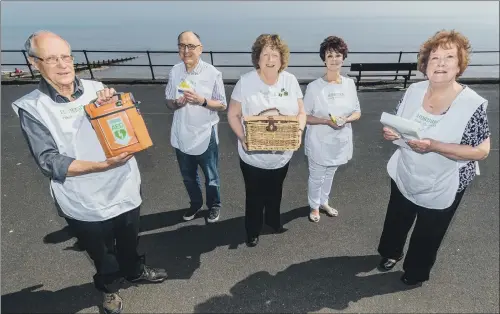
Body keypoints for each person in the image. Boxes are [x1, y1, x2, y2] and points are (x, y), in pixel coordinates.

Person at [12, 31, 167, 314]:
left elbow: (125, 125)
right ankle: (109, 290)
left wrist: (119, 104)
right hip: (84, 200)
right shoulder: (33, 107)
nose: (63, 65)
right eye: (52, 58)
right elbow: (49, 161)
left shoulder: (98, 88)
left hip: (123, 186)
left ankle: (134, 270)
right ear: (35, 63)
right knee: (102, 253)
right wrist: (101, 166)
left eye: (66, 56)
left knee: (130, 240)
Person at [376, 30, 491, 286]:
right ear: (425, 64)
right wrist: (391, 132)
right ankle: (390, 252)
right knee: (397, 216)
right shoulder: (414, 90)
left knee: (429, 230)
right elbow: (399, 120)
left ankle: (416, 271)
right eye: (434, 57)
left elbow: (481, 151)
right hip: (407, 169)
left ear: (460, 64)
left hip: (445, 180)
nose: (440, 63)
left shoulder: (471, 104)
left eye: (449, 57)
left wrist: (435, 146)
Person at [227, 34, 307, 247]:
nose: (270, 59)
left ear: (282, 59)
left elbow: (301, 112)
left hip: (281, 156)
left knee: (275, 191)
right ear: (257, 58)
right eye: (265, 54)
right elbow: (233, 114)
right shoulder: (246, 82)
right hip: (253, 157)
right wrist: (243, 137)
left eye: (275, 54)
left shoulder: (290, 80)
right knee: (254, 196)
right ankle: (252, 230)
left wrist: (298, 130)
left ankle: (273, 221)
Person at [165, 31, 227, 223]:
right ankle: (196, 203)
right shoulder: (175, 71)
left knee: (211, 177)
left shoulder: (212, 73)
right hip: (181, 133)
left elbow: (223, 104)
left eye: (191, 46)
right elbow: (168, 101)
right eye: (182, 46)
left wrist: (202, 101)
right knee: (188, 177)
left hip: (204, 135)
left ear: (200, 49)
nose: (186, 50)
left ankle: (214, 205)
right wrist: (177, 103)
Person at [303, 36, 361, 222]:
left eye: (337, 55)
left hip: (340, 141)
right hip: (319, 141)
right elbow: (304, 116)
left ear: (343, 57)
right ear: (324, 59)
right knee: (317, 176)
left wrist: (346, 119)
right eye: (330, 55)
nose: (334, 59)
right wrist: (327, 121)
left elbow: (357, 112)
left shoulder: (350, 84)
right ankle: (314, 206)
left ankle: (323, 202)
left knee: (330, 174)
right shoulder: (314, 88)